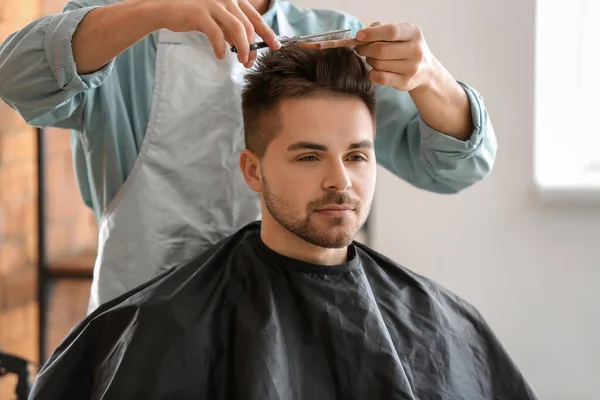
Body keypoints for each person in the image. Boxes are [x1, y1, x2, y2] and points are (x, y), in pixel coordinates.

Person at [28, 44, 532, 400]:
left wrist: (432, 77)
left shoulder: (444, 320)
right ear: (253, 169)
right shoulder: (163, 325)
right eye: (309, 158)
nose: (341, 182)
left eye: (357, 156)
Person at [0, 0, 497, 314]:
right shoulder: (126, 29)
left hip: (294, 324)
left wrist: (429, 76)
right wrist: (155, 11)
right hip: (141, 331)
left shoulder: (332, 41)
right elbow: (15, 77)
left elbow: (453, 166)